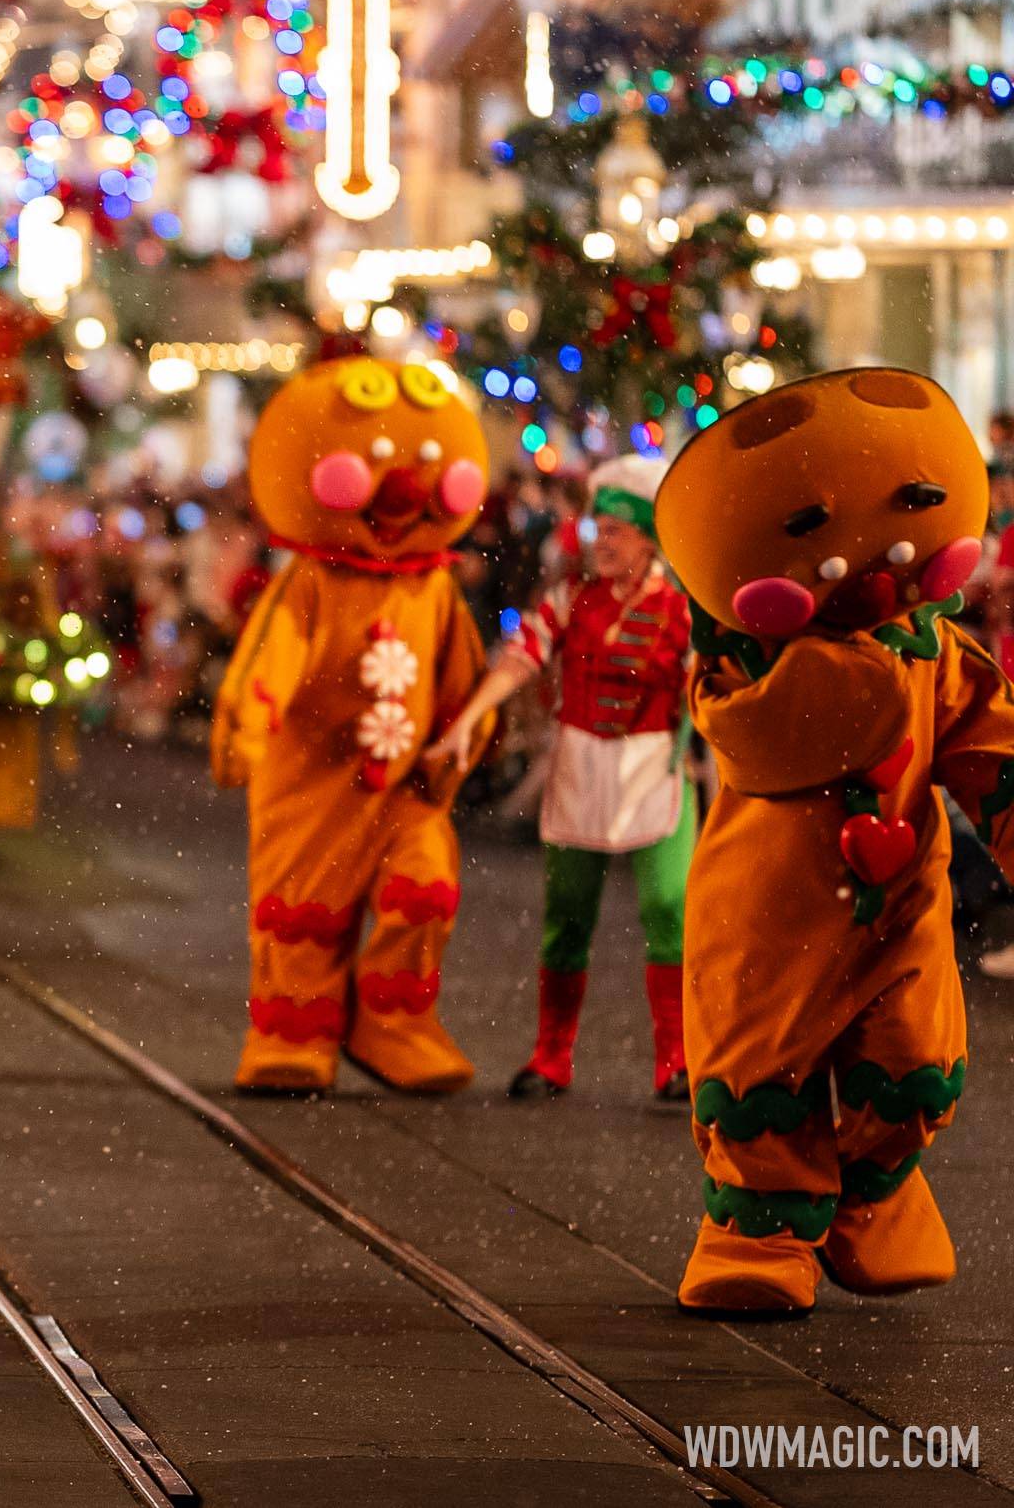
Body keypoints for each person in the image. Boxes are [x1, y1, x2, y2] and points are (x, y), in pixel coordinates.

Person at [654, 368, 1009, 1315]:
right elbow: (758, 738)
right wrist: (844, 668)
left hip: (904, 908)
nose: (878, 561)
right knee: (761, 1068)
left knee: (914, 1061)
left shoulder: (935, 648)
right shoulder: (737, 666)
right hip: (771, 913)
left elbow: (992, 750)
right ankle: (759, 1231)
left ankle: (874, 1195)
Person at [208, 357, 495, 1096]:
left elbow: (462, 676)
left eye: (426, 466)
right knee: (304, 912)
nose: (405, 489)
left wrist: (466, 736)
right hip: (314, 785)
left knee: (425, 889)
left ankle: (395, 1020)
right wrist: (247, 726)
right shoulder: (308, 583)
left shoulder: (433, 586)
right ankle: (292, 1029)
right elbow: (270, 663)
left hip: (406, 788)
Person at [430, 456, 695, 1101]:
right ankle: (551, 1057)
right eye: (598, 529)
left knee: (669, 908)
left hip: (654, 770)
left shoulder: (686, 611)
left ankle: (678, 1061)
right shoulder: (569, 601)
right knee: (567, 918)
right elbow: (520, 659)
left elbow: (715, 683)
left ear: (648, 539)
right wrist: (471, 716)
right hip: (579, 767)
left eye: (617, 532)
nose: (601, 542)